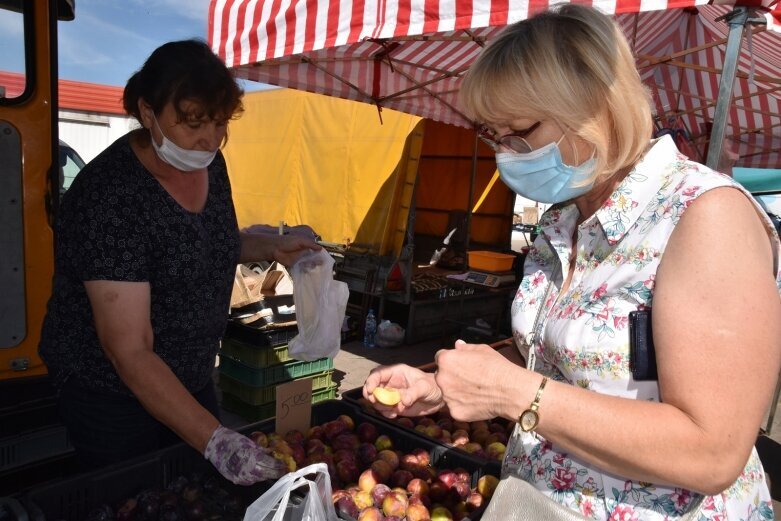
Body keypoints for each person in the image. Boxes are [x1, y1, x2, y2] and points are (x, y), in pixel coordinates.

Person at [363, 5, 781, 519]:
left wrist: (516, 393)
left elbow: (711, 451)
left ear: (594, 108)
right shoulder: (563, 221)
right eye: (494, 135)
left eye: (518, 130)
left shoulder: (704, 215)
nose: (506, 153)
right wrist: (448, 386)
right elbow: (559, 364)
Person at [39, 40, 318, 485]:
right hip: (112, 394)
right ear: (148, 113)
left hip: (190, 373)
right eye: (192, 124)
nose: (210, 138)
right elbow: (128, 350)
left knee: (197, 493)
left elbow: (208, 244)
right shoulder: (110, 197)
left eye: (220, 122)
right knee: (135, 496)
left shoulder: (211, 162)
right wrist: (215, 439)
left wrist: (271, 247)